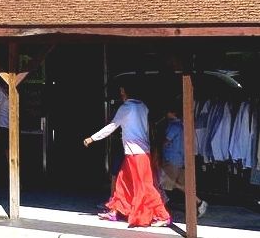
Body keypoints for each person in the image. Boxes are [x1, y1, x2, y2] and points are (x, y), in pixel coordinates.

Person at [84, 84, 171, 228]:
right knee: (122, 182)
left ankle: (163, 215)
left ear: (127, 93)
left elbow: (112, 126)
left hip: (135, 152)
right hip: (141, 151)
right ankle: (115, 210)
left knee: (144, 186)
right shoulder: (143, 107)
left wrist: (93, 138)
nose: (121, 94)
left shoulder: (126, 108)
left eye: (122, 91)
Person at [159, 105, 207, 218]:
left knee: (164, 182)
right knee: (182, 185)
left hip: (171, 158)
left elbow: (166, 141)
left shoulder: (173, 126)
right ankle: (199, 203)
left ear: (172, 113)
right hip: (180, 159)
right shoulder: (182, 125)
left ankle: (160, 210)